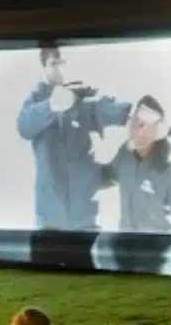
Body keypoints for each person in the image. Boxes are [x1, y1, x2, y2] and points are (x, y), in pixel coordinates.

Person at [17, 42, 133, 231]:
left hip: (85, 218)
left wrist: (132, 112)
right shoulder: (36, 99)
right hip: (50, 220)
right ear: (44, 67)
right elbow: (23, 126)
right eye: (53, 63)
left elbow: (102, 109)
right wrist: (53, 105)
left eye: (62, 62)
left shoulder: (82, 105)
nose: (59, 68)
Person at [101, 96, 171, 234]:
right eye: (135, 122)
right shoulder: (125, 155)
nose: (136, 130)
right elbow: (108, 175)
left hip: (153, 249)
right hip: (126, 245)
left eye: (143, 125)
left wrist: (163, 249)